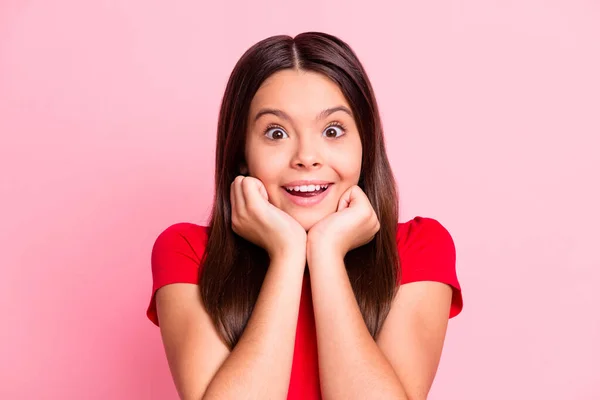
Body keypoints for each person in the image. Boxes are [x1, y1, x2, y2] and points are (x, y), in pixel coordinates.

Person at [146, 32, 463, 400]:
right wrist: (287, 253)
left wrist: (326, 254)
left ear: (365, 144)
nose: (307, 157)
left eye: (333, 130)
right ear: (242, 154)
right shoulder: (187, 253)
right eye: (276, 133)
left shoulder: (419, 249)